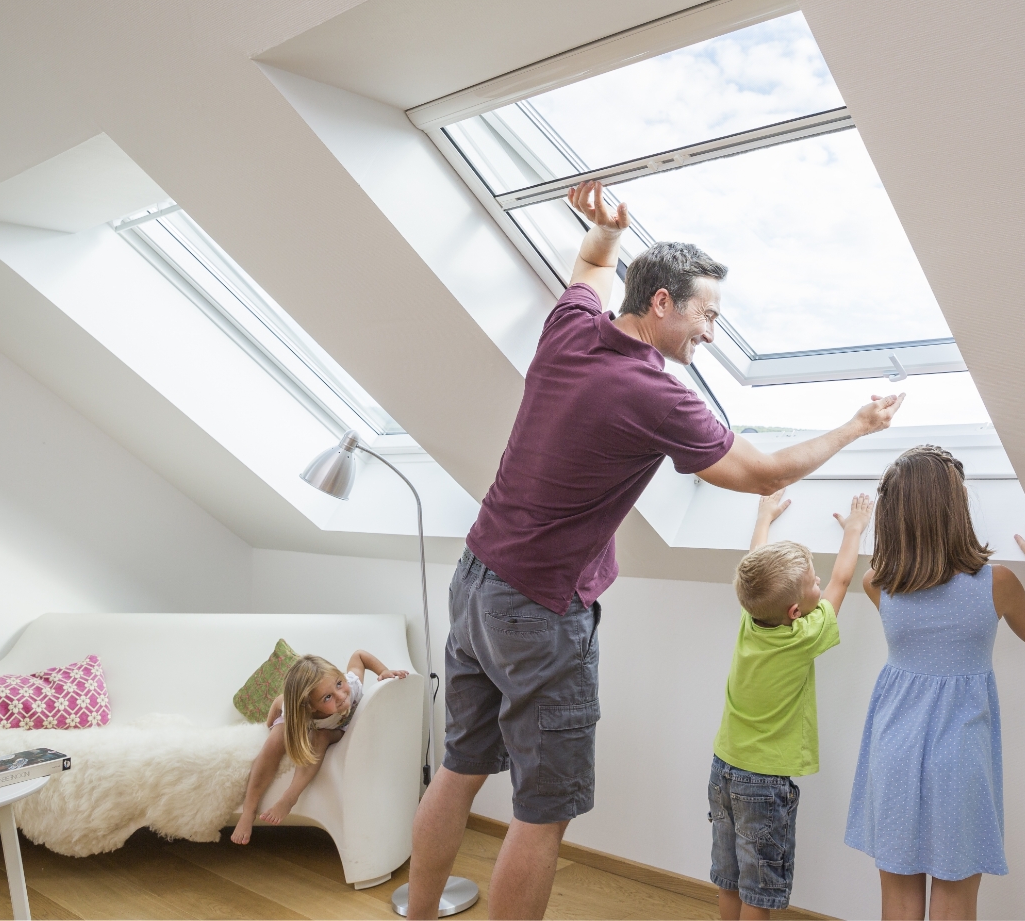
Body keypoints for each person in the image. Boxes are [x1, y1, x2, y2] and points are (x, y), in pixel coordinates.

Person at [407, 180, 904, 920]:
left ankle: (418, 911)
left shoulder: (573, 330)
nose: (711, 333)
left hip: (476, 577)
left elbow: (587, 273)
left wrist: (605, 232)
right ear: (664, 303)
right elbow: (760, 473)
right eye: (707, 314)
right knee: (542, 812)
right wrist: (856, 428)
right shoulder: (654, 393)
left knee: (458, 767)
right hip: (539, 609)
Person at [843, 445, 1025, 920]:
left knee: (898, 896)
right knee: (955, 895)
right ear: (955, 508)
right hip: (961, 756)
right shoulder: (996, 583)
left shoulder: (878, 582)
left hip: (893, 748)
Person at [709, 489, 872, 919]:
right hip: (763, 783)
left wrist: (764, 517)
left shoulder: (751, 618)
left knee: (730, 880)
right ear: (797, 610)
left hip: (723, 768)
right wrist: (854, 530)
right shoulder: (803, 637)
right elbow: (842, 581)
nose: (820, 582)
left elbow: (754, 564)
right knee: (759, 895)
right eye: (811, 582)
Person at [231, 650, 409, 844]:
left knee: (320, 736)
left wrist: (383, 671)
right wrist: (269, 725)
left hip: (334, 730)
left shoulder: (352, 686)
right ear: (312, 706)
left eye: (339, 684)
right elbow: (278, 702)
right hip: (304, 721)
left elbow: (359, 656)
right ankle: (248, 811)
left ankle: (290, 797)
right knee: (275, 741)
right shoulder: (299, 710)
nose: (341, 696)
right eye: (327, 698)